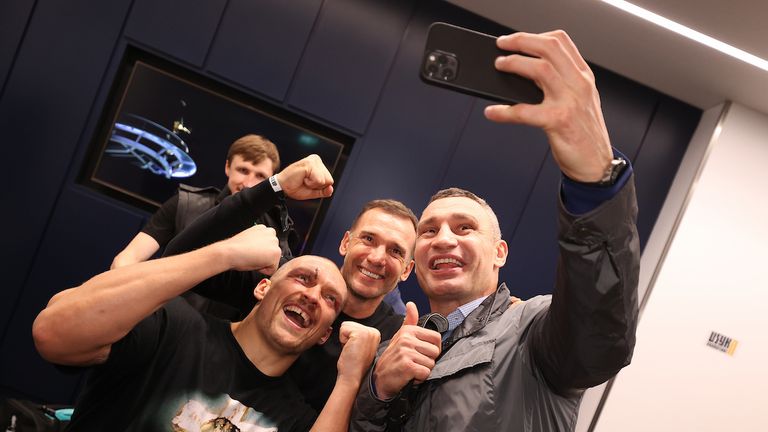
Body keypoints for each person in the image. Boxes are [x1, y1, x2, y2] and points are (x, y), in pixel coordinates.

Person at [349, 30, 641, 431]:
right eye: (429, 231)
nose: (444, 239)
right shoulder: (395, 347)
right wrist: (379, 390)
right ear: (414, 261)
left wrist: (595, 182)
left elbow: (599, 335)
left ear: (500, 252)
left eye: (465, 228)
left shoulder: (532, 334)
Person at [32, 224, 381, 431]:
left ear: (323, 334)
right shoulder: (173, 327)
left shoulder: (293, 417)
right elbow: (54, 333)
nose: (312, 297)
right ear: (262, 288)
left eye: (331, 300)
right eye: (303, 278)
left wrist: (351, 378)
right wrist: (224, 254)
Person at [163, 163, 419, 410]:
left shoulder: (395, 340)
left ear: (407, 270)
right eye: (368, 239)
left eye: (395, 251)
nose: (376, 258)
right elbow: (179, 259)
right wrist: (275, 186)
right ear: (345, 243)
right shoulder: (286, 284)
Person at [110, 134, 294, 270]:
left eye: (260, 176)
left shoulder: (276, 231)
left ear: (271, 181)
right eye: (243, 170)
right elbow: (128, 258)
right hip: (165, 314)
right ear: (227, 167)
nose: (248, 184)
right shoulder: (185, 203)